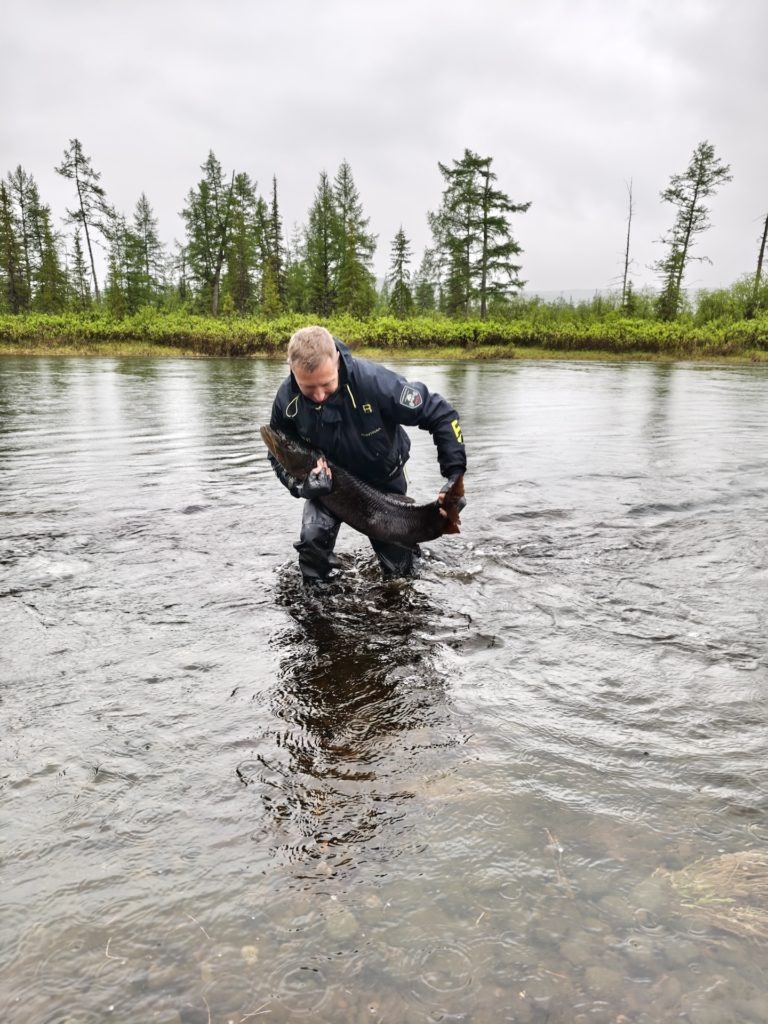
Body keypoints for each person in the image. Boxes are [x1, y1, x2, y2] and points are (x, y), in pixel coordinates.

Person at [267, 325, 466, 582]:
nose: (318, 396)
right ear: (292, 370)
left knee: (400, 573)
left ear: (336, 360)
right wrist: (301, 486)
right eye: (308, 388)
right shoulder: (286, 401)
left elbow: (441, 414)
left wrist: (454, 473)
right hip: (327, 488)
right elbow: (276, 454)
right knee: (312, 545)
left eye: (326, 385)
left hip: (384, 483)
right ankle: (317, 611)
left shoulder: (376, 383)